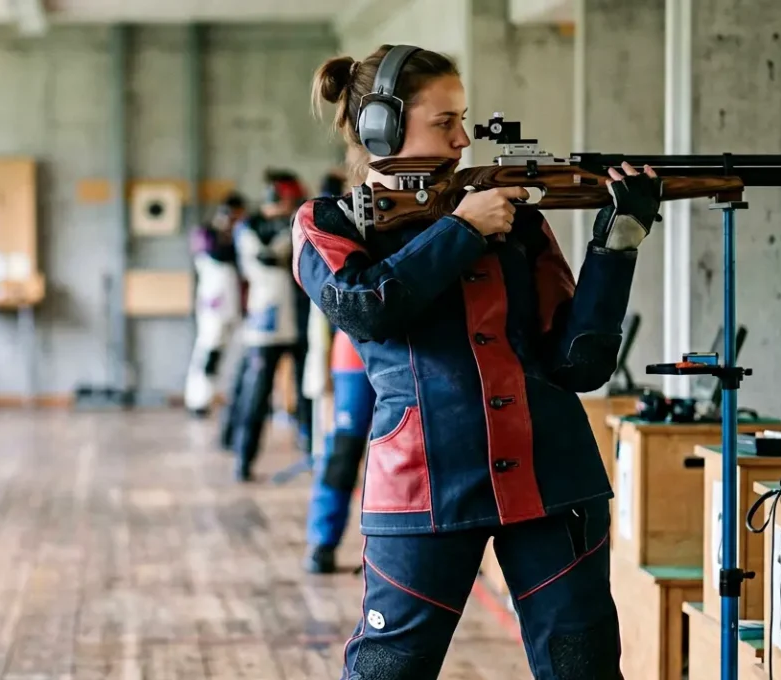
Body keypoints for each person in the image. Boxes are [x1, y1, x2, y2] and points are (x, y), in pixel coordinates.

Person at [294, 44, 659, 679]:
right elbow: (365, 309)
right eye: (444, 122)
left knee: (584, 668)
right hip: (422, 486)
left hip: (553, 480)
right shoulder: (329, 223)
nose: (463, 140)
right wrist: (462, 231)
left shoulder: (516, 222)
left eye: (463, 120)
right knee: (388, 670)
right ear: (381, 127)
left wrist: (617, 245)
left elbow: (579, 364)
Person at [227, 171, 313, 481]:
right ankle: (243, 457)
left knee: (307, 390)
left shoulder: (294, 222)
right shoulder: (250, 226)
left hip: (298, 316)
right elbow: (265, 258)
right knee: (256, 393)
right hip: (266, 320)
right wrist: (288, 233)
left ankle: (311, 450)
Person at [303, 326, 375, 574]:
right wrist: (321, 379)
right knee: (343, 451)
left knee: (408, 452)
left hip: (412, 354)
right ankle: (322, 541)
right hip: (353, 351)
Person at [184, 193, 246, 418]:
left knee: (228, 354)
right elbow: (217, 254)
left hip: (231, 303)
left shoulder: (236, 236)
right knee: (209, 351)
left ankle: (217, 397)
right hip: (213, 304)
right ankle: (198, 399)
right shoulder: (206, 233)